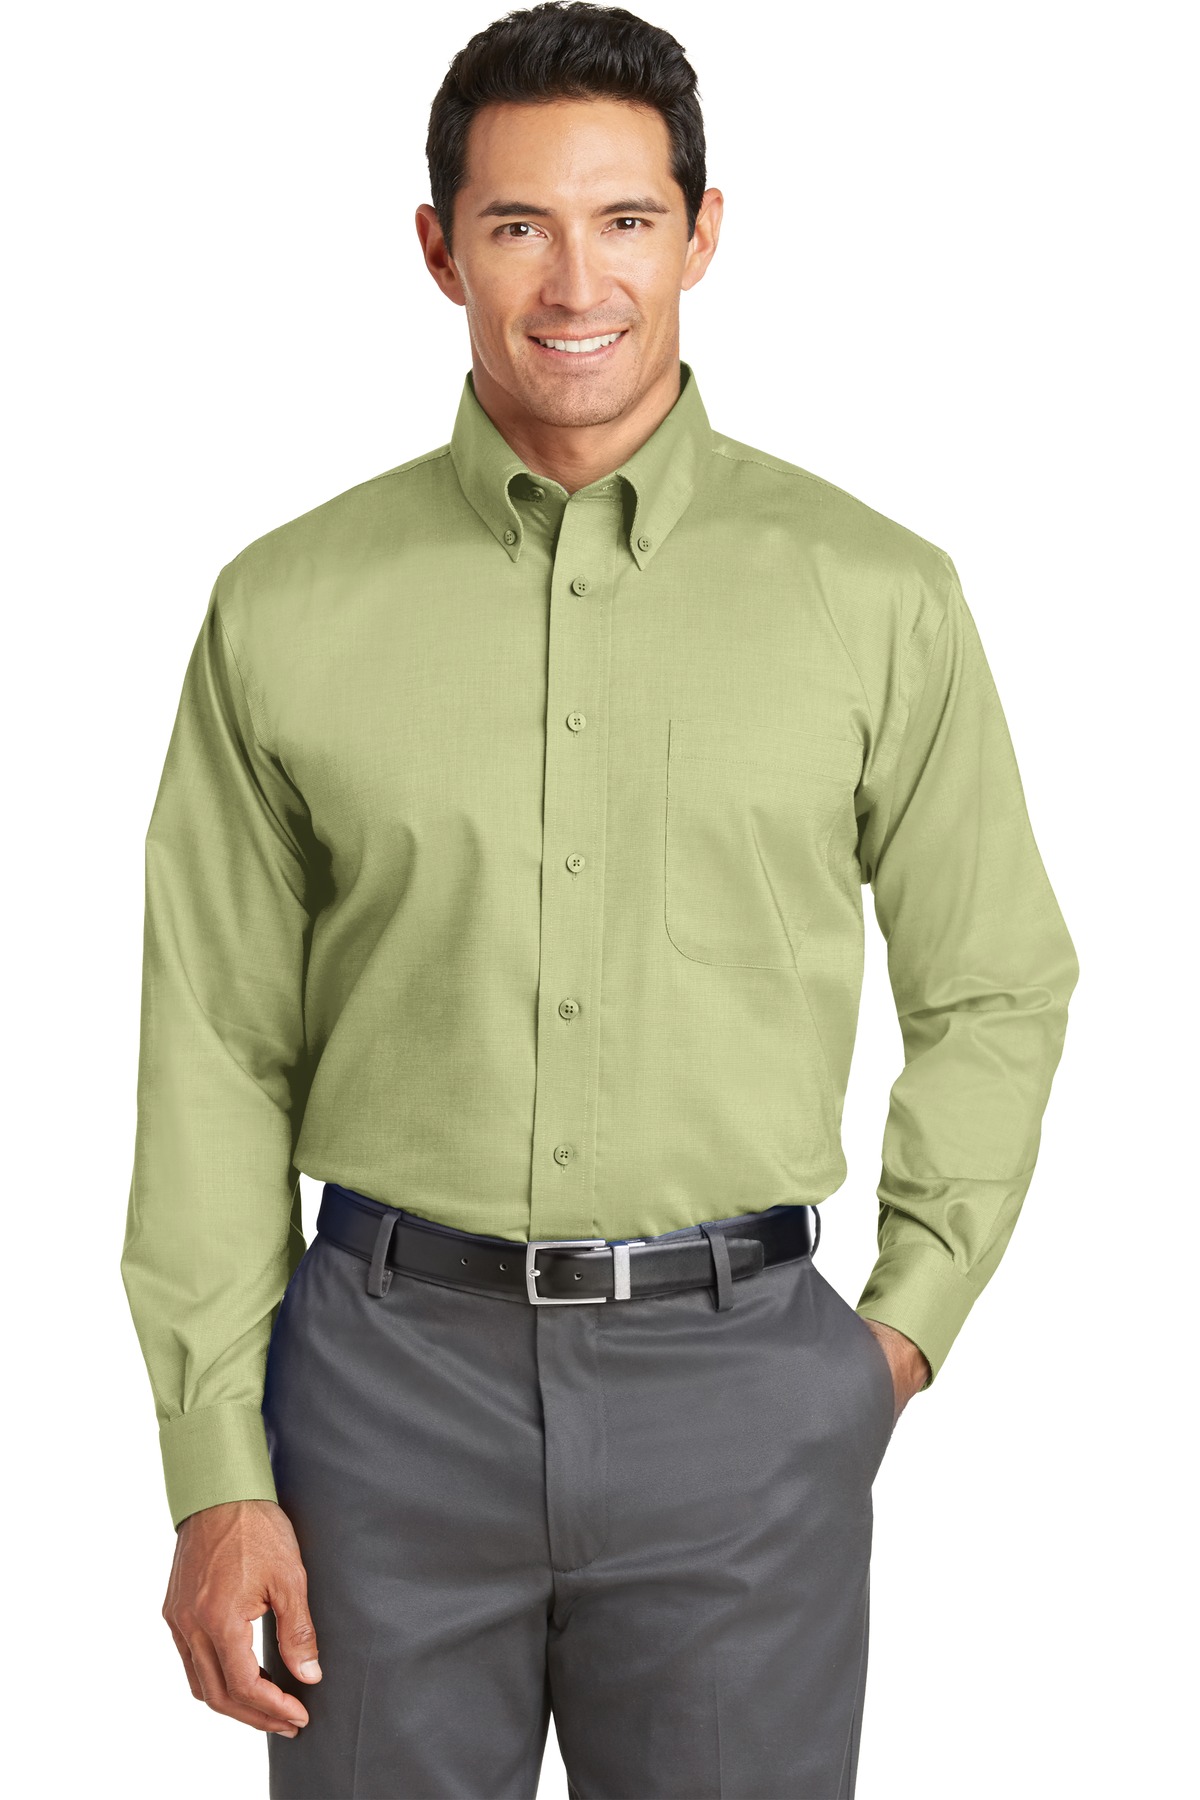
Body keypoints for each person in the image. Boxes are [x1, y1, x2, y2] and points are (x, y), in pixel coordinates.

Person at [120, 3, 1080, 1794]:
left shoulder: (877, 596)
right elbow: (214, 1045)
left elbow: (997, 982)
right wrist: (215, 1466)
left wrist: (893, 1339)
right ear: (439, 249)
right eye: (519, 224)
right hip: (379, 1406)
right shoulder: (285, 607)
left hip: (747, 1402)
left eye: (626, 219)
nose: (577, 282)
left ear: (703, 234)